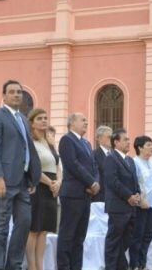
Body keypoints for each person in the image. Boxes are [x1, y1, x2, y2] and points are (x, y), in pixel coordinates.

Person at [0, 80, 41, 270]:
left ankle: (14, 265)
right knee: (1, 227)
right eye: (12, 92)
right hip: (4, 180)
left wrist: (33, 176)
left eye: (19, 92)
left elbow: (28, 148)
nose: (17, 95)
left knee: (24, 223)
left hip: (23, 181)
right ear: (4, 96)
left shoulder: (23, 119)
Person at [57, 112, 99, 270]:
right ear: (71, 123)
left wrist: (96, 182)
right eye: (83, 120)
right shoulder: (67, 140)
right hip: (73, 194)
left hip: (86, 194)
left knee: (80, 236)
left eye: (87, 121)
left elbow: (94, 166)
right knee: (68, 234)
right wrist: (91, 181)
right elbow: (73, 165)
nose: (86, 123)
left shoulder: (87, 144)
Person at [26, 108, 62, 270]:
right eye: (39, 118)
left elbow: (57, 164)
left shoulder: (48, 142)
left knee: (44, 230)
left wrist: (59, 182)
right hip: (38, 186)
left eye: (46, 118)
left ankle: (40, 265)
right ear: (32, 123)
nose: (44, 121)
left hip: (52, 189)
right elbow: (33, 167)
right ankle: (32, 266)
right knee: (34, 229)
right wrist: (50, 183)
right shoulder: (29, 142)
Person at [104, 129, 140, 270]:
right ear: (116, 142)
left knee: (125, 240)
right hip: (118, 207)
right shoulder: (111, 158)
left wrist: (137, 194)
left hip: (131, 207)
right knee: (113, 241)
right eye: (125, 139)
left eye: (129, 139)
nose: (128, 142)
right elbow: (113, 181)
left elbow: (135, 181)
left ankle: (121, 266)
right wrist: (128, 196)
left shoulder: (130, 160)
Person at [129, 135, 152, 270]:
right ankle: (134, 264)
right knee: (137, 235)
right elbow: (135, 182)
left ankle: (142, 263)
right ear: (140, 148)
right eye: (148, 145)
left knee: (148, 235)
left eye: (151, 145)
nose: (151, 148)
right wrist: (141, 198)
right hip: (140, 205)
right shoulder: (134, 162)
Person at [92, 125, 113, 202]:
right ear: (99, 138)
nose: (112, 139)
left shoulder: (115, 155)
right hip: (100, 198)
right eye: (109, 137)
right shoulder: (93, 155)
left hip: (115, 199)